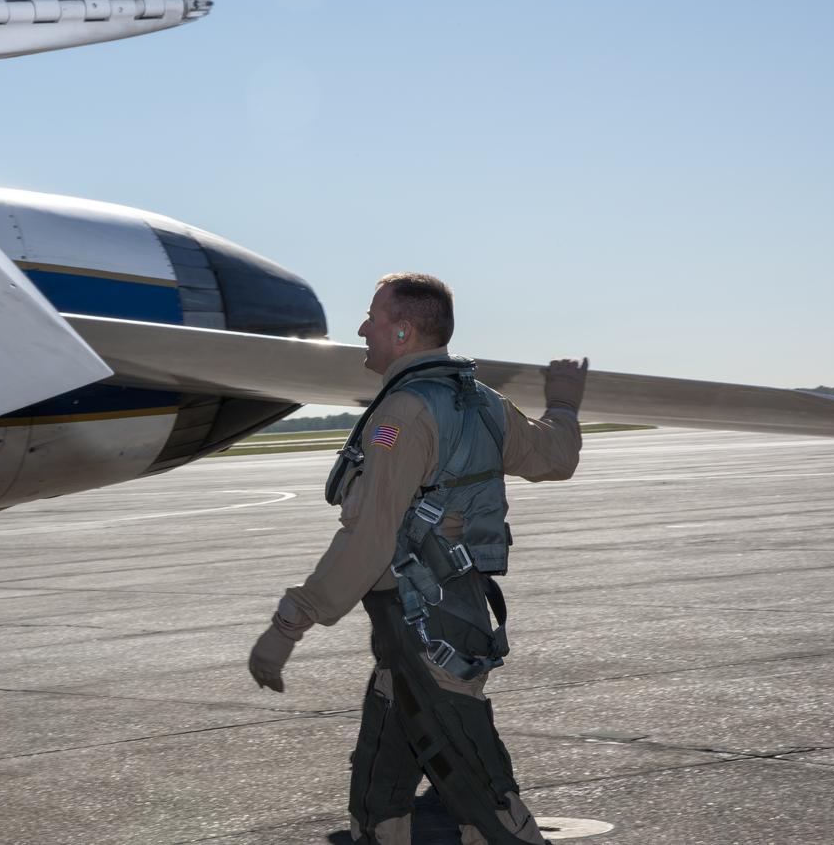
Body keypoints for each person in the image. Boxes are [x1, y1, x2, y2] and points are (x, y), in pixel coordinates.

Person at [248, 273, 587, 845]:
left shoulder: (399, 416)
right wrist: (563, 404)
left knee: (483, 797)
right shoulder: (480, 402)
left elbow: (370, 537)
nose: (360, 328)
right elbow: (554, 457)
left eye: (372, 318)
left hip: (421, 629)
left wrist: (289, 624)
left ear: (402, 331)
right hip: (439, 620)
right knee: (379, 791)